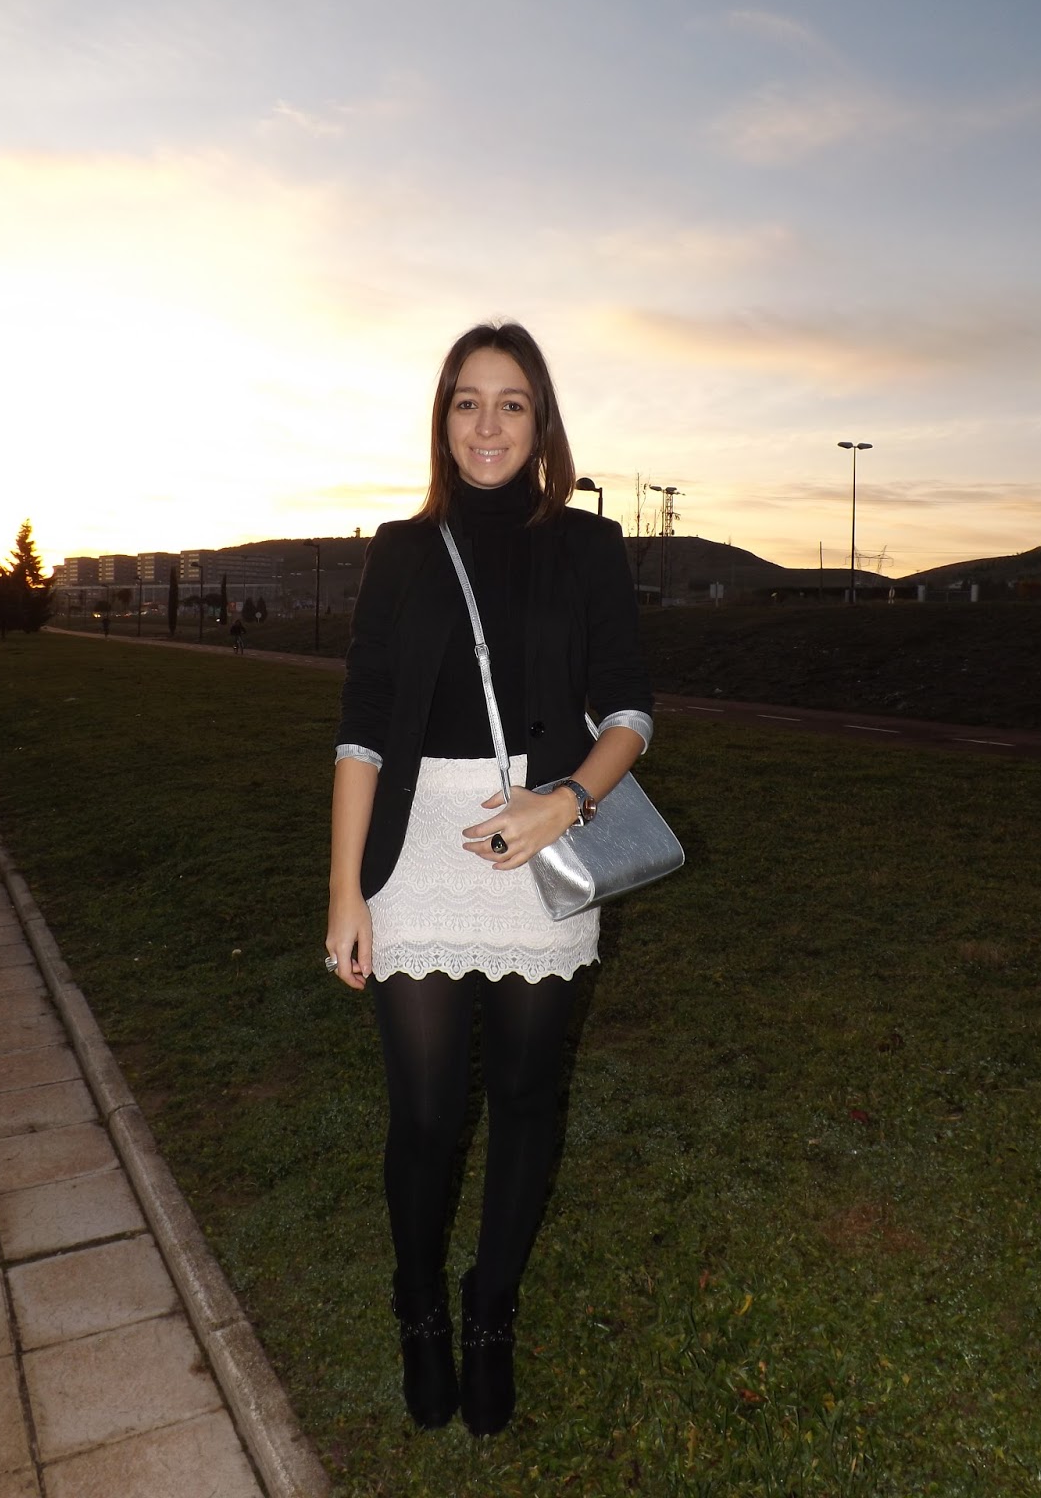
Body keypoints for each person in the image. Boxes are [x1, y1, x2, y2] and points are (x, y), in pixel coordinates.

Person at [325, 321, 653, 1436]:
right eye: (467, 401)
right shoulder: (401, 550)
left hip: (546, 837)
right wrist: (345, 888)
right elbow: (363, 727)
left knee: (523, 1098)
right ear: (443, 419)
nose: (487, 423)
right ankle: (418, 1302)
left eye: (511, 402)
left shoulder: (590, 545)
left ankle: (489, 1307)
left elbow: (631, 709)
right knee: (424, 1114)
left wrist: (566, 801)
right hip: (418, 849)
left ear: (541, 422)